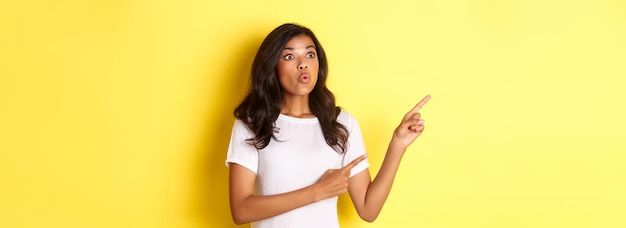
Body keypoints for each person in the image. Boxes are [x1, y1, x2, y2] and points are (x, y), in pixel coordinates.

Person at [225, 23, 430, 228]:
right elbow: (241, 210)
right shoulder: (252, 124)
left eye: (310, 55)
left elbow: (369, 209)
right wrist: (317, 191)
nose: (303, 64)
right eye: (289, 56)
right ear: (272, 66)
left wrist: (398, 146)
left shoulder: (342, 123)